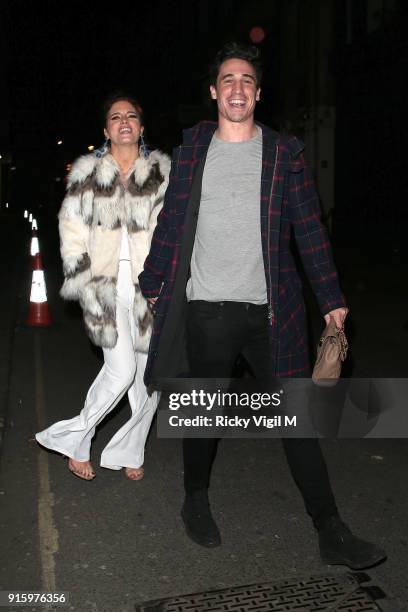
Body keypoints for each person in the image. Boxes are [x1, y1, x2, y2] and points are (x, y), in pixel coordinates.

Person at [139, 43, 386, 569]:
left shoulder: (283, 154)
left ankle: (330, 529)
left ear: (257, 93)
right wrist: (153, 278)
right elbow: (172, 221)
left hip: (270, 315)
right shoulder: (191, 152)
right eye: (227, 79)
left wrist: (332, 300)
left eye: (247, 81)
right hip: (207, 309)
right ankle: (196, 500)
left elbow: (309, 230)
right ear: (213, 91)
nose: (237, 89)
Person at [36, 92, 170, 481]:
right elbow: (71, 229)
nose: (124, 122)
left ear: (141, 128)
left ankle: (130, 449)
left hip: (152, 287)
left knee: (149, 379)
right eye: (116, 117)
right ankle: (74, 439)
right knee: (121, 370)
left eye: (131, 116)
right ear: (106, 129)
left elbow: (174, 230)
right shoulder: (88, 174)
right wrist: (82, 283)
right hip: (105, 287)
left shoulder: (162, 174)